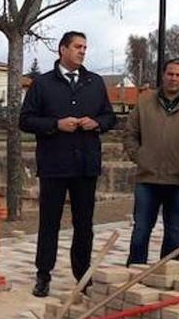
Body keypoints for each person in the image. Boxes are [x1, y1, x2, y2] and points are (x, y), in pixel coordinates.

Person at [19, 31, 116, 298]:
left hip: (86, 165)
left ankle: (82, 275)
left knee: (84, 224)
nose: (82, 51)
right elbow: (25, 120)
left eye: (85, 47)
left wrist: (97, 123)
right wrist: (55, 125)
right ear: (63, 49)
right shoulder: (42, 84)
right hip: (54, 165)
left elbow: (110, 117)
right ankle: (43, 275)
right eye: (77, 46)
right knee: (49, 223)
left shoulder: (94, 82)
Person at [123, 59, 179, 265]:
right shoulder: (145, 101)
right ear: (163, 75)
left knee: (174, 230)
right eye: (170, 74)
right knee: (141, 229)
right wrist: (140, 156)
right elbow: (130, 134)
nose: (174, 78)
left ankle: (167, 272)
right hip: (148, 177)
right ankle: (134, 271)